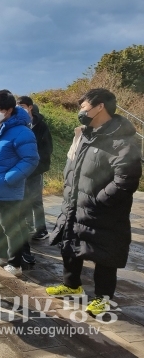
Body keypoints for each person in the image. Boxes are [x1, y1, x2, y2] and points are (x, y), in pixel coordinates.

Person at [47, 89, 142, 316]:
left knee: (105, 251)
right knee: (70, 242)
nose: (81, 110)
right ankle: (71, 286)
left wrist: (99, 200)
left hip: (104, 210)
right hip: (75, 202)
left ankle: (104, 298)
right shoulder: (86, 134)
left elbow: (126, 179)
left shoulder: (122, 139)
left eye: (84, 106)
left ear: (100, 107)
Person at [0, 90, 39, 277]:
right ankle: (2, 255)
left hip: (7, 188)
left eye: (0, 109)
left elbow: (31, 160)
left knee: (11, 227)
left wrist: (10, 178)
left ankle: (15, 263)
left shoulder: (22, 132)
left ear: (10, 110)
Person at [16, 97, 53, 241]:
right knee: (23, 198)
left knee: (36, 200)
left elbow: (47, 148)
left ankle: (42, 229)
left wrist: (37, 164)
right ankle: (28, 224)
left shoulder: (41, 125)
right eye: (18, 105)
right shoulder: (20, 124)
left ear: (30, 107)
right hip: (21, 168)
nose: (20, 108)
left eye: (23, 105)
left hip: (36, 169)